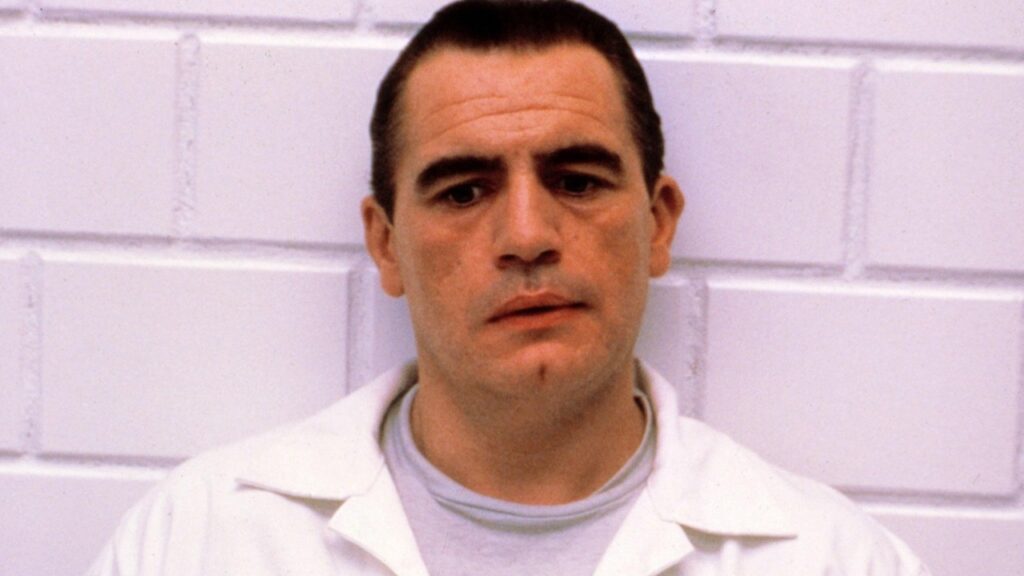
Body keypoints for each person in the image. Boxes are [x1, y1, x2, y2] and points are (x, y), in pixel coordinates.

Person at [89, 1, 931, 574]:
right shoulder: (200, 540)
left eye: (577, 180)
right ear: (386, 245)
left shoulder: (831, 560)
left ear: (660, 223)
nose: (527, 235)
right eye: (463, 191)